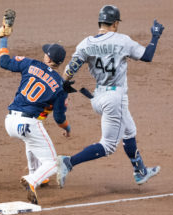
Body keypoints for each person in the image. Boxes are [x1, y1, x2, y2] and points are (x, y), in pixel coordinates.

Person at [57, 5, 164, 188]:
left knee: (129, 130)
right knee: (108, 146)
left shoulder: (86, 44)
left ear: (100, 22)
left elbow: (69, 72)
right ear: (115, 24)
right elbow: (147, 56)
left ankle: (140, 171)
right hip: (115, 99)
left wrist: (64, 86)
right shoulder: (122, 40)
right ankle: (69, 162)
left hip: (98, 97)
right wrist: (155, 36)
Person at [0, 23, 71, 204]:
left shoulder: (30, 64)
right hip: (28, 124)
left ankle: (35, 174)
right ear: (59, 63)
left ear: (47, 58)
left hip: (10, 121)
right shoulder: (60, 86)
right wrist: (67, 128)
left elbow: (4, 61)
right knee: (53, 164)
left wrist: (3, 38)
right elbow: (59, 118)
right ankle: (32, 180)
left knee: (31, 139)